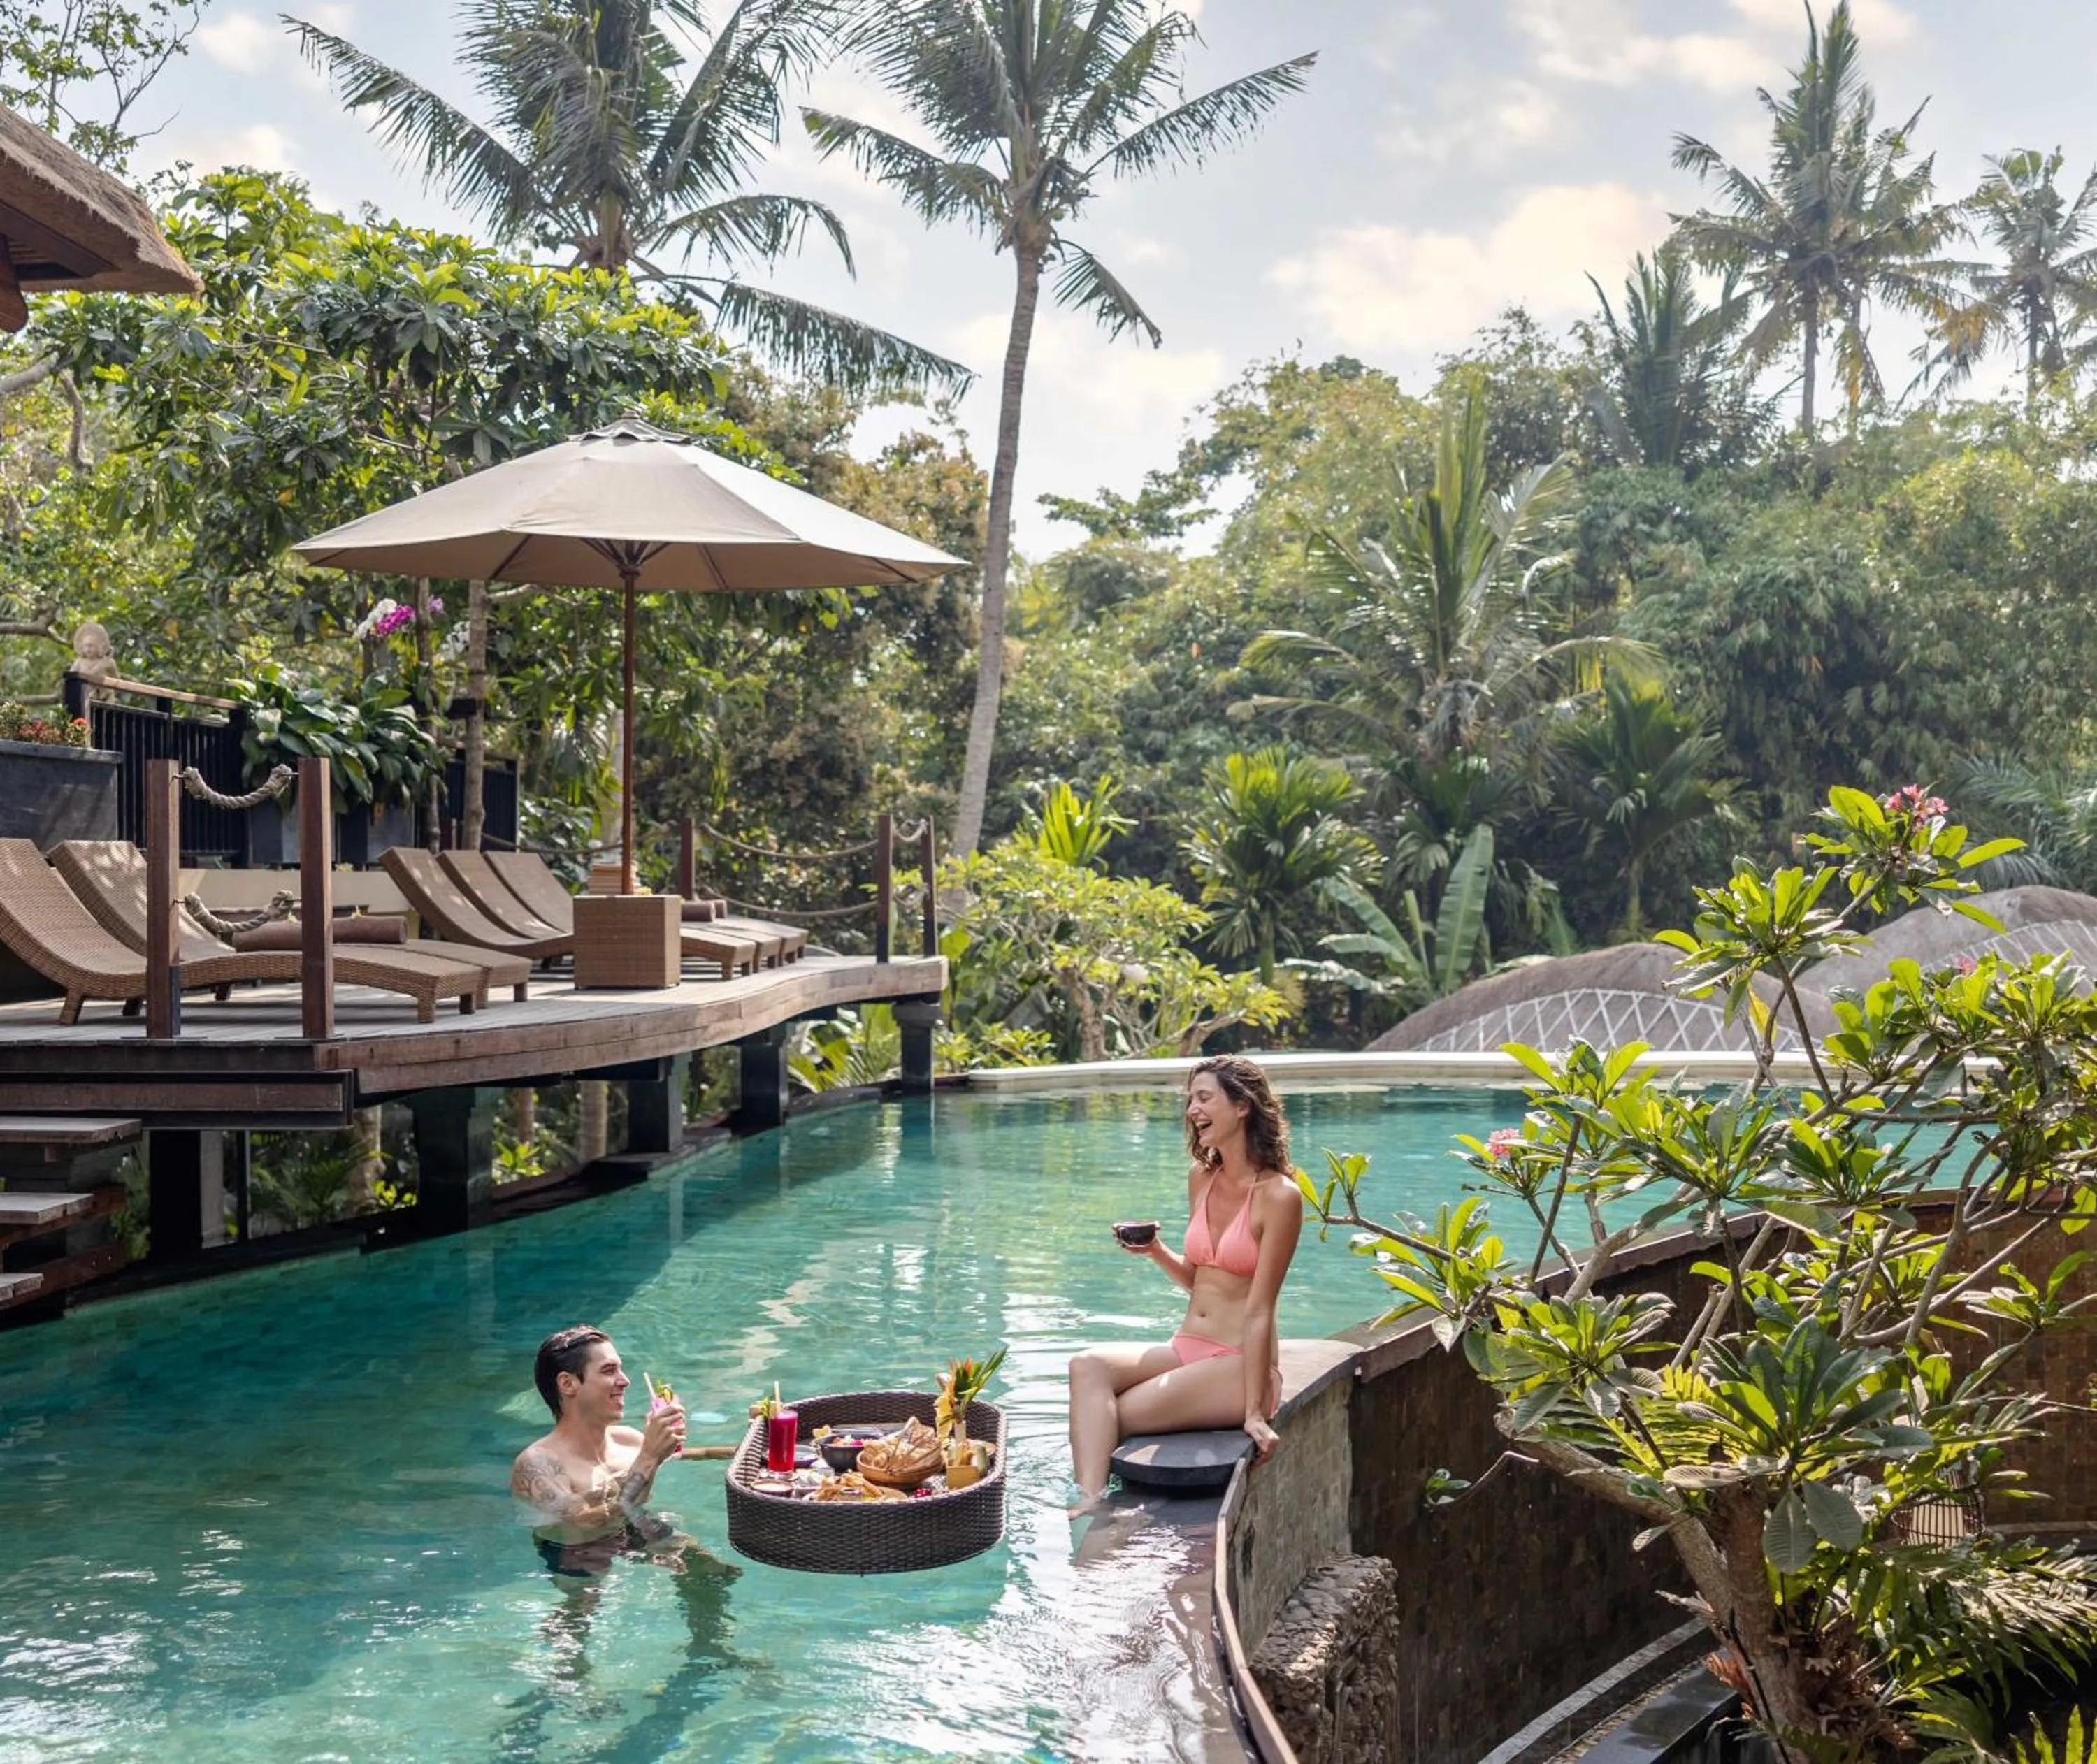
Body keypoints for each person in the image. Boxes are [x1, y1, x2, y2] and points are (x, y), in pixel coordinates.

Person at [1067, 1055, 1304, 1506]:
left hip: (1238, 1363)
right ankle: (1091, 1500)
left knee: (1111, 1415)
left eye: (1204, 1098)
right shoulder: (1202, 1178)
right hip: (1188, 1346)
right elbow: (1201, 1281)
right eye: (1190, 1099)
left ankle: (1092, 1508)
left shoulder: (1279, 1197)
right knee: (1087, 1366)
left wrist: (1255, 1412)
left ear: (1242, 1106)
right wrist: (1156, 1251)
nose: (1193, 1109)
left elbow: (1260, 1310)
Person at [512, 1324, 689, 1574]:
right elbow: (582, 1522)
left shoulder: (629, 1440)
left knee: (711, 1571)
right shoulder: (538, 1463)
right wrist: (650, 1456)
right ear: (568, 1383)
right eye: (609, 1371)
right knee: (584, 1598)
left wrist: (740, 1448)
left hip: (634, 1529)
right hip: (576, 1555)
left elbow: (681, 1455)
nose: (625, 1381)